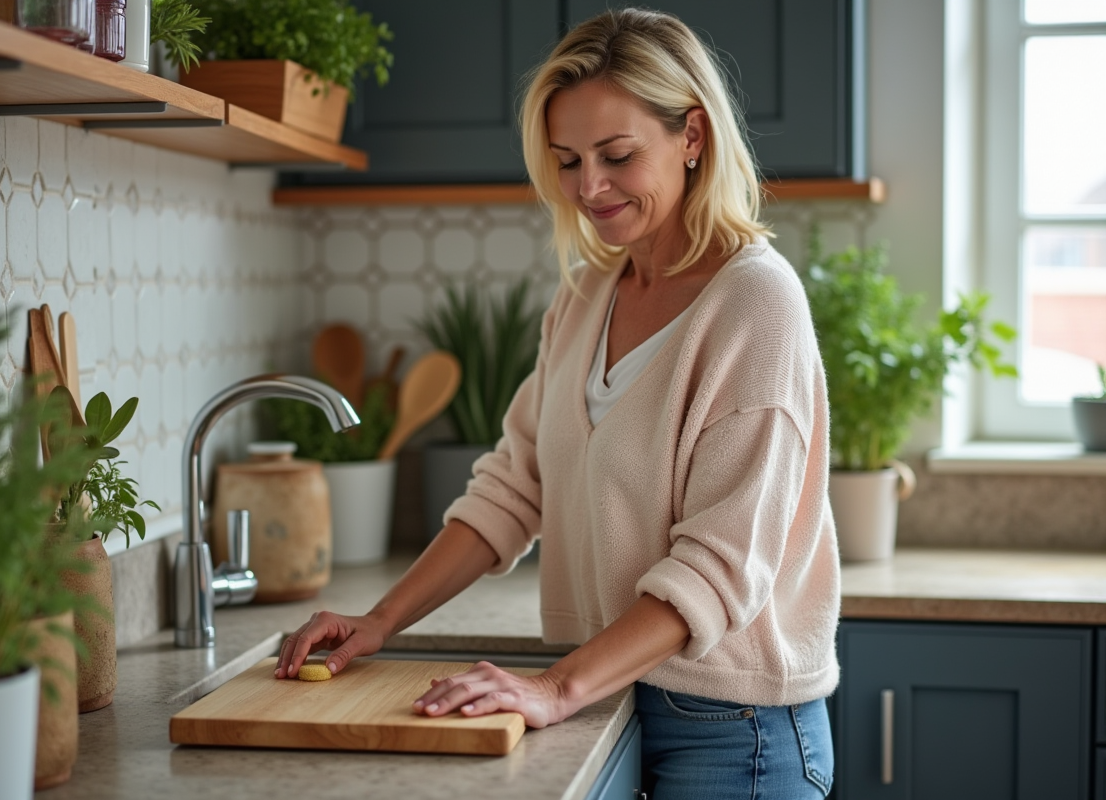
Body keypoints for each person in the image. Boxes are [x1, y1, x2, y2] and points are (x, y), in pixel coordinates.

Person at [275, 8, 839, 798]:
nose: (588, 188)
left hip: (732, 728)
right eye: (568, 160)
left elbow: (719, 568)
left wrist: (556, 688)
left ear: (693, 137)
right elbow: (514, 487)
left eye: (617, 155)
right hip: (610, 698)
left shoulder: (755, 303)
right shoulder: (586, 296)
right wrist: (381, 620)